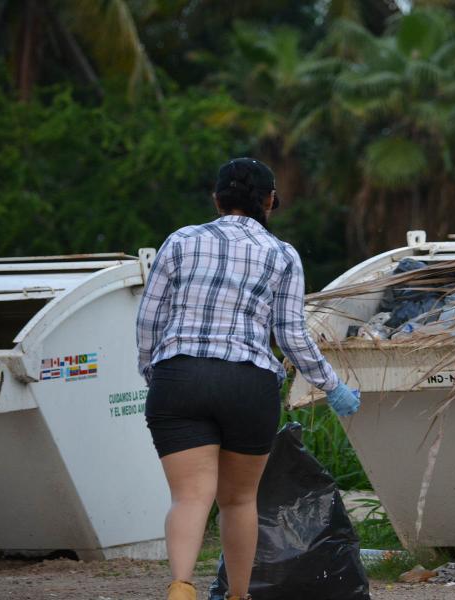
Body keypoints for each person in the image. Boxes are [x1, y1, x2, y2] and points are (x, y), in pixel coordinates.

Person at [136, 157, 361, 600]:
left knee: (189, 497)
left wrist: (155, 372)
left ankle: (181, 587)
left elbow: (148, 321)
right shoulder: (282, 254)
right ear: (270, 201)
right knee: (238, 500)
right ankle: (238, 596)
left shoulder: (179, 241)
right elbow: (291, 335)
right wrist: (331, 384)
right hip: (249, 384)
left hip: (179, 377)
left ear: (216, 199)